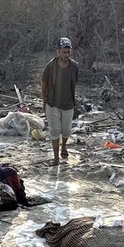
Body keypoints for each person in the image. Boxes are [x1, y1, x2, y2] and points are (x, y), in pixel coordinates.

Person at [41, 37, 78, 165]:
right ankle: (56, 158)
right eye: (64, 52)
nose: (66, 55)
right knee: (55, 130)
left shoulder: (74, 66)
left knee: (67, 130)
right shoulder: (51, 66)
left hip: (68, 104)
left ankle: (64, 146)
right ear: (58, 52)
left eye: (68, 52)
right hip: (53, 103)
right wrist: (44, 101)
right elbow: (44, 83)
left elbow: (74, 84)